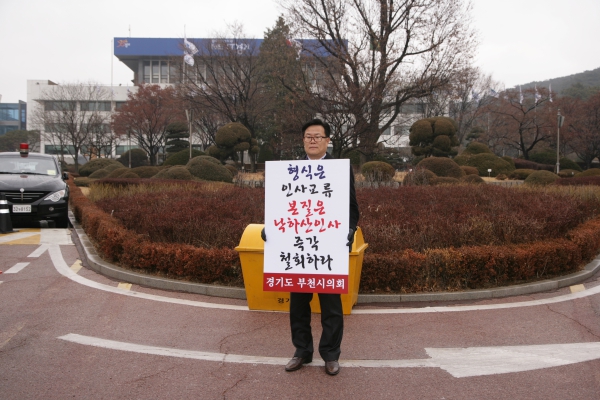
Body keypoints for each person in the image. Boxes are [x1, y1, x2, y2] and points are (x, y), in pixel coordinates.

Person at [262, 118, 360, 376]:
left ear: (328, 140)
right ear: (303, 140)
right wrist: (270, 229)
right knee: (298, 306)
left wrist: (349, 230)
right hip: (298, 251)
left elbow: (352, 207)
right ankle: (302, 352)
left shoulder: (339, 169)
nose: (313, 140)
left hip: (328, 249)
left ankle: (330, 355)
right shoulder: (290, 170)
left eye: (318, 136)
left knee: (331, 306)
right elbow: (279, 208)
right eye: (308, 136)